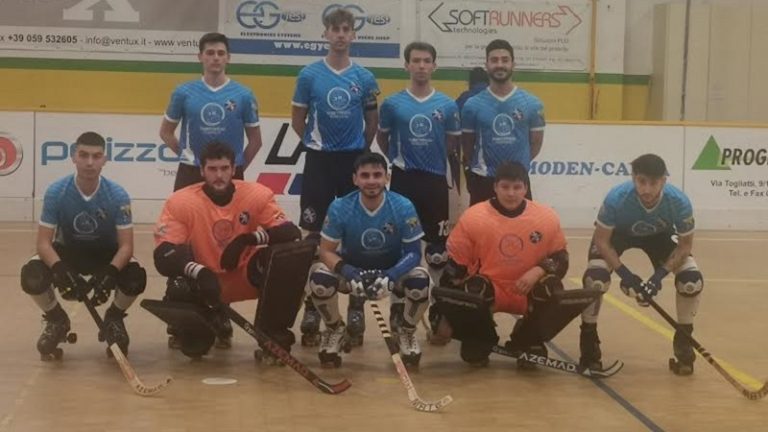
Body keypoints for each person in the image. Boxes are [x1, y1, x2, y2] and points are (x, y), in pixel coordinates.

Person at [152, 141, 303, 360]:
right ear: (202, 171)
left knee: (284, 261)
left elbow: (290, 233)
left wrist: (248, 239)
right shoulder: (181, 201)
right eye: (212, 169)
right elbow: (164, 254)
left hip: (243, 276)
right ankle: (207, 319)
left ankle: (273, 333)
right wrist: (199, 271)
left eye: (224, 168)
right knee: (180, 291)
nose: (219, 175)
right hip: (204, 281)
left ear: (233, 170)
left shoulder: (257, 195)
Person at [430, 161, 583, 368]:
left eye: (517, 187)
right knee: (474, 287)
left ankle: (527, 337)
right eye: (505, 187)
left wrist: (538, 270)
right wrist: (444, 316)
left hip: (527, 289)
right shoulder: (474, 217)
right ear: (495, 187)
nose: (511, 193)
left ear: (526, 188)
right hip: (489, 291)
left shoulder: (545, 217)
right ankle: (481, 337)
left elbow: (561, 259)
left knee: (552, 287)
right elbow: (455, 269)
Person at [291, 7, 380, 347]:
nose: (341, 35)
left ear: (353, 34)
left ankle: (356, 305)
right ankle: (313, 305)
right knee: (313, 236)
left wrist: (359, 153)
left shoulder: (365, 77)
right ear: (326, 34)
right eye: (335, 29)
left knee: (354, 234)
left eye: (346, 29)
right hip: (318, 162)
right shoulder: (309, 75)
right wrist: (316, 145)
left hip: (351, 161)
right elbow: (298, 119)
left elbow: (372, 121)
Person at [20, 132, 146, 360]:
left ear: (104, 159)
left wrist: (111, 272)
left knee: (136, 277)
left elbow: (126, 247)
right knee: (32, 275)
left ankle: (114, 317)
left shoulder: (118, 195)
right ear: (73, 156)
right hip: (68, 253)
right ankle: (56, 319)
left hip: (105, 254)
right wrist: (59, 269)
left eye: (96, 156)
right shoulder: (56, 192)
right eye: (84, 155)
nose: (89, 162)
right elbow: (43, 243)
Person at [578, 154, 703, 376]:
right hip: (618, 235)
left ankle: (684, 340)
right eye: (641, 181)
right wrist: (625, 275)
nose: (646, 189)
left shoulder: (679, 201)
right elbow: (602, 241)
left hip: (659, 236)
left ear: (664, 180)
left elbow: (684, 246)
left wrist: (658, 277)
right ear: (633, 177)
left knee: (691, 281)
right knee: (595, 279)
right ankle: (589, 340)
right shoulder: (617, 198)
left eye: (653, 183)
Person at [307, 153, 430, 368]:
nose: (371, 181)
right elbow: (326, 251)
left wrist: (391, 275)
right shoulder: (340, 207)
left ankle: (406, 331)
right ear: (355, 179)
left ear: (387, 177)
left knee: (421, 281)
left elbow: (414, 253)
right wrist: (348, 271)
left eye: (377, 175)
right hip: (353, 271)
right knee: (319, 278)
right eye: (365, 175)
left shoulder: (403, 206)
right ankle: (335, 328)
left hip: (391, 271)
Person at [377, 41, 460, 328]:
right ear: (407, 65)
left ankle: (438, 307)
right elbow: (383, 139)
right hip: (404, 180)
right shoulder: (392, 104)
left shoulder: (447, 105)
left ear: (434, 66)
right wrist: (399, 161)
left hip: (435, 181)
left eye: (426, 61)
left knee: (437, 252)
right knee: (401, 247)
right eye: (416, 61)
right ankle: (398, 305)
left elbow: (451, 143)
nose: (421, 66)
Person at [159, 32, 262, 191]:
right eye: (210, 53)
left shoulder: (244, 95)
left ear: (228, 58)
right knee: (183, 208)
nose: (216, 58)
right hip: (190, 171)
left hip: (230, 173)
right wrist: (188, 157)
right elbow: (166, 132)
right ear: (200, 57)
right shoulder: (183, 92)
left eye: (221, 53)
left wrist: (235, 167)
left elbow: (256, 141)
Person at [461, 39, 545, 205]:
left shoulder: (532, 103)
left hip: (518, 181)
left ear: (513, 64)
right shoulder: (472, 105)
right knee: (479, 223)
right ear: (486, 65)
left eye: (505, 60)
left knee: (522, 223)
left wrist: (516, 168)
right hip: (483, 181)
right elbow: (468, 146)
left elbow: (535, 143)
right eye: (494, 60)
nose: (499, 65)